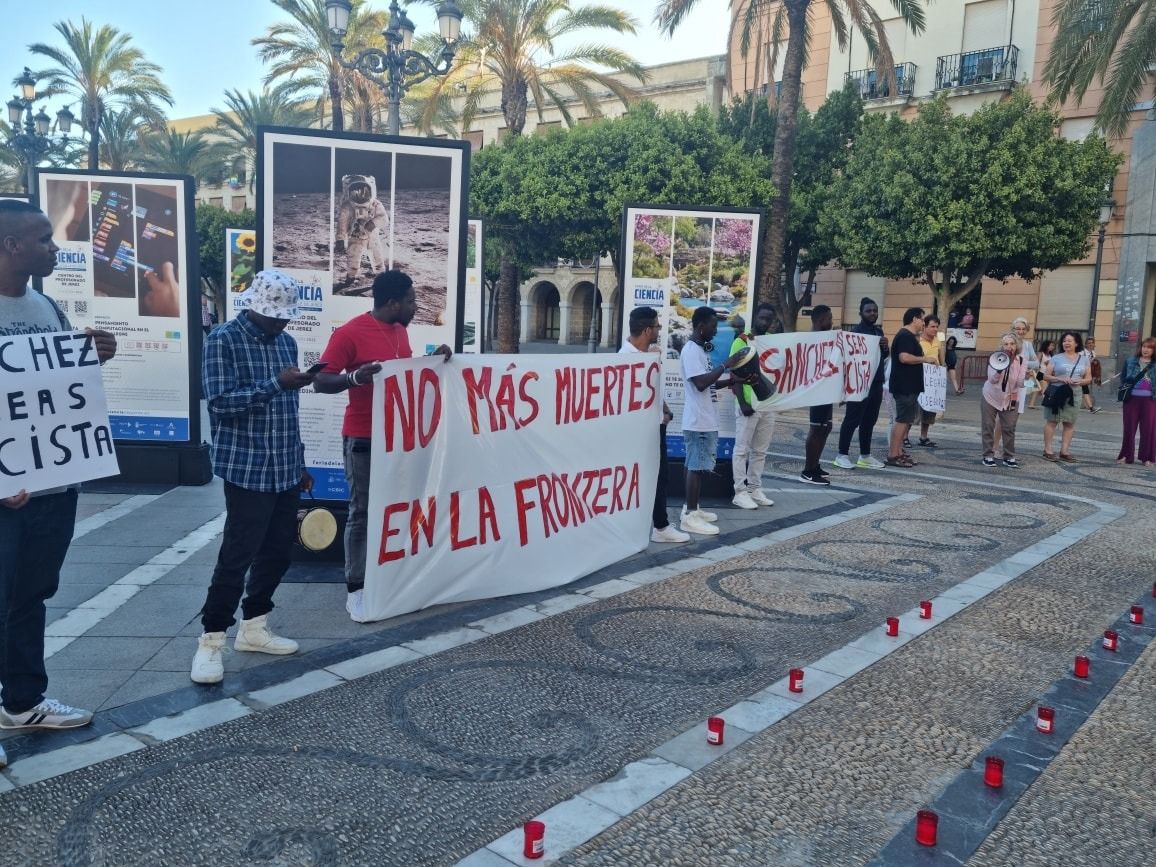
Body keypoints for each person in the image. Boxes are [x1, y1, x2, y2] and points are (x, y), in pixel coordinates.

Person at [0, 200, 118, 744]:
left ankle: (22, 703)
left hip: (51, 486)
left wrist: (95, 353)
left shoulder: (48, 308)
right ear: (11, 246)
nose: (55, 248)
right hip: (6, 493)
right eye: (44, 239)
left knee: (31, 594)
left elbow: (57, 389)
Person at [191, 271, 316, 684]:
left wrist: (299, 463)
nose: (283, 324)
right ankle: (211, 640)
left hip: (283, 466)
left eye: (286, 317)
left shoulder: (287, 342)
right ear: (255, 308)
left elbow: (289, 413)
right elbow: (221, 403)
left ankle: (255, 626)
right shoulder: (222, 340)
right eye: (276, 316)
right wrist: (274, 384)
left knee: (279, 551)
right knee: (236, 555)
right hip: (246, 467)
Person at [314, 270, 451, 621]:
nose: (415, 306)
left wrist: (435, 359)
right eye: (410, 301)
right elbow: (320, 381)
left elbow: (405, 372)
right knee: (362, 512)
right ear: (392, 303)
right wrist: (353, 378)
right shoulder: (349, 334)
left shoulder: (400, 331)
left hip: (398, 440)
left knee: (397, 509)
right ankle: (356, 588)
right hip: (363, 438)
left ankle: (391, 577)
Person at [621, 307, 690, 542]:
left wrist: (666, 409)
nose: (659, 331)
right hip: (639, 432)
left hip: (655, 426)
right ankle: (660, 527)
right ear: (647, 329)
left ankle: (658, 526)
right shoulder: (626, 360)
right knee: (652, 477)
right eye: (658, 327)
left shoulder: (648, 357)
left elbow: (652, 391)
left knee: (660, 476)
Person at [678, 306, 747, 535]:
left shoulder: (701, 351)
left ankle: (694, 509)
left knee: (698, 466)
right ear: (701, 326)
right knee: (696, 468)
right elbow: (699, 383)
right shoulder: (690, 351)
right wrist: (725, 364)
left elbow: (708, 383)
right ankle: (689, 515)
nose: (716, 331)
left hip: (705, 418)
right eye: (713, 326)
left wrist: (730, 380)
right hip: (697, 421)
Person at [730, 303, 777, 507]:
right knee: (742, 449)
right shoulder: (741, 341)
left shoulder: (772, 342)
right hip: (749, 402)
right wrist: (742, 402)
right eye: (762, 318)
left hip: (767, 402)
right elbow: (734, 372)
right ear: (755, 317)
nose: (765, 322)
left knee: (760, 450)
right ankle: (739, 491)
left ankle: (754, 488)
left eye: (769, 319)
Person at [834, 297, 888, 470]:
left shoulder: (878, 332)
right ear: (861, 313)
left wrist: (885, 347)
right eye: (868, 311)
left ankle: (865, 455)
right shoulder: (855, 333)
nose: (872, 313)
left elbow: (882, 358)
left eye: (875, 310)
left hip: (876, 382)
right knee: (852, 419)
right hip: (859, 382)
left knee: (869, 420)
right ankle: (842, 454)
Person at [798, 305, 836, 485]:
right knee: (816, 429)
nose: (832, 321)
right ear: (821, 320)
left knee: (826, 427)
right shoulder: (811, 340)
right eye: (830, 318)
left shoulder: (826, 339)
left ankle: (815, 464)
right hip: (816, 390)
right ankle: (808, 470)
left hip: (827, 389)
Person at [1041, 331, 1093, 463]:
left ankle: (1064, 451)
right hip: (1057, 392)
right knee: (1052, 421)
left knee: (1069, 423)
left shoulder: (1084, 359)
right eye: (1064, 341)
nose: (1066, 343)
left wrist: (1079, 382)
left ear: (1076, 343)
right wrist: (1059, 378)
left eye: (1070, 340)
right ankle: (1048, 450)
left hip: (1074, 394)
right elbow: (1045, 376)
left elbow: (1088, 378)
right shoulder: (1056, 358)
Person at [887, 307, 926, 468]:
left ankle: (900, 451)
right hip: (904, 386)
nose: (924, 323)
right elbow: (904, 357)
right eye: (922, 319)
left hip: (910, 386)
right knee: (902, 420)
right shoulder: (904, 336)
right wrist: (926, 359)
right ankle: (893, 454)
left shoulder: (910, 336)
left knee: (907, 420)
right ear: (914, 319)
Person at [981, 333, 1026, 467]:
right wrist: (1001, 369)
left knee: (1009, 427)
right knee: (988, 425)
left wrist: (1027, 379)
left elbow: (1019, 383)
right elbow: (992, 380)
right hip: (990, 396)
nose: (1009, 347)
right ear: (1002, 346)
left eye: (1012, 344)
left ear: (1016, 346)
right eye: (1006, 344)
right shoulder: (995, 358)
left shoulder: (1022, 360)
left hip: (1010, 397)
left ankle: (1009, 456)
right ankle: (988, 455)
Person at [1117, 338, 1156, 466]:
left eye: (1149, 347)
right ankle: (1126, 455)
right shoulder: (1130, 361)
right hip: (1131, 399)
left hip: (1150, 401)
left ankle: (1147, 457)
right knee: (1129, 428)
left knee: (1148, 429)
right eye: (1144, 346)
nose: (1145, 349)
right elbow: (1123, 378)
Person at [915, 314, 944, 448]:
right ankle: (904, 437)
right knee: (915, 410)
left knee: (929, 410)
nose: (935, 329)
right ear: (925, 326)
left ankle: (924, 437)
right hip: (920, 377)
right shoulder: (918, 341)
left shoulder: (937, 341)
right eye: (932, 326)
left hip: (934, 381)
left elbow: (941, 358)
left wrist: (942, 368)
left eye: (937, 327)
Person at [1027, 339, 1056, 410]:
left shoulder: (1050, 355)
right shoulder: (1041, 353)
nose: (1052, 347)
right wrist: (1034, 372)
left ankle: (1031, 404)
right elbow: (1036, 363)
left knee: (1037, 389)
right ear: (1046, 345)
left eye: (1053, 346)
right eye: (1051, 345)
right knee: (1045, 388)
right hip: (1040, 373)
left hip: (1047, 374)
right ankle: (1049, 403)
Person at [1081, 336, 1103, 413]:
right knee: (1085, 391)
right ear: (1086, 344)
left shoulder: (1093, 353)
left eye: (1092, 343)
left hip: (1088, 374)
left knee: (1085, 391)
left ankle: (1090, 407)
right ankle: (1091, 408)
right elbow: (1080, 363)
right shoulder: (1082, 353)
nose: (1091, 344)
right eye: (1089, 343)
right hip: (1081, 374)